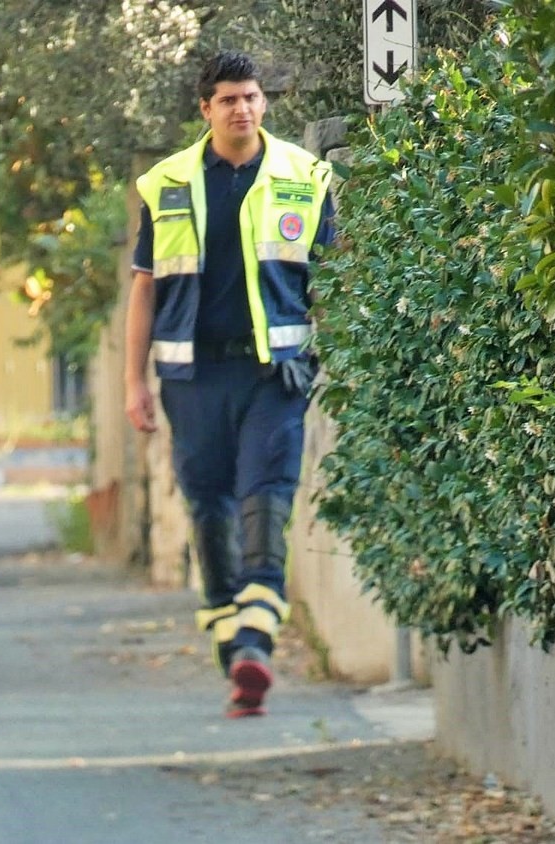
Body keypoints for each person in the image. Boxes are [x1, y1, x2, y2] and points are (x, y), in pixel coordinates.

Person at [124, 50, 334, 718]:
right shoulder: (168, 183)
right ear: (205, 109)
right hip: (192, 375)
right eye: (230, 99)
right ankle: (228, 636)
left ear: (263, 101)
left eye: (252, 96)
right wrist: (134, 382)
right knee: (208, 505)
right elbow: (144, 290)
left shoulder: (305, 174)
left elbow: (331, 281)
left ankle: (255, 643)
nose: (244, 108)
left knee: (266, 498)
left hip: (276, 373)